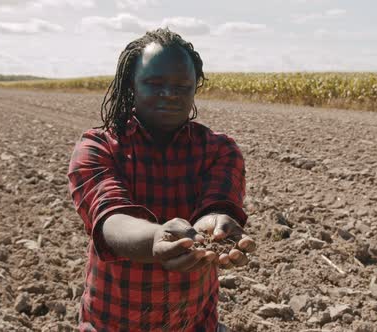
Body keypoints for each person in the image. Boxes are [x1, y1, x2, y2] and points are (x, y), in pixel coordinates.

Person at [67, 28, 256, 331]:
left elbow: (219, 204)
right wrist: (156, 239)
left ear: (196, 87)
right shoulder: (98, 148)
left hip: (195, 322)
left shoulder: (219, 150)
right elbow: (111, 218)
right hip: (114, 321)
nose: (169, 94)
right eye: (154, 84)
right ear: (132, 84)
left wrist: (217, 222)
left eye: (182, 85)